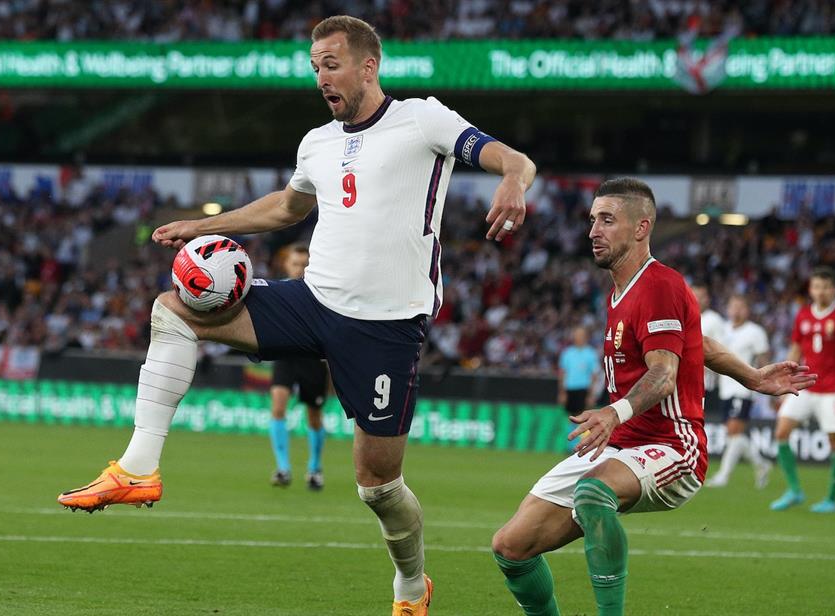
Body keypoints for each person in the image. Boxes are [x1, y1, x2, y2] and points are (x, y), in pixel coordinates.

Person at [57, 15, 536, 615]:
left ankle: (412, 586)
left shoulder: (422, 119)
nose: (321, 77)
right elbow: (287, 207)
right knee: (173, 309)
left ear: (368, 66)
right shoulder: (318, 142)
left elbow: (512, 158)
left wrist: (513, 181)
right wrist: (201, 225)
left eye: (331, 64)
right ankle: (138, 467)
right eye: (314, 67)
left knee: (378, 487)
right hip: (311, 302)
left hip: (385, 327)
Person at [490, 178, 816, 616]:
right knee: (511, 547)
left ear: (641, 227)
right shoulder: (620, 293)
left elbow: (664, 374)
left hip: (671, 444)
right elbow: (696, 342)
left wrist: (613, 411)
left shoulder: (659, 284)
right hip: (622, 443)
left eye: (607, 220)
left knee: (592, 494)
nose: (593, 231)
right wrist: (752, 377)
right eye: (591, 220)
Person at [770, 266, 835, 514]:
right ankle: (794, 491)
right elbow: (795, 350)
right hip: (805, 386)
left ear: (834, 289)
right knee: (781, 432)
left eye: (826, 287)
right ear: (811, 289)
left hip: (834, 389)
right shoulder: (802, 316)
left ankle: (831, 498)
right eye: (817, 287)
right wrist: (784, 380)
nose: (821, 292)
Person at [267, 243, 329, 490]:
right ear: (287, 265)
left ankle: (314, 468)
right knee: (278, 406)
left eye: (305, 265)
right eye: (296, 264)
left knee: (313, 417)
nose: (300, 269)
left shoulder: (321, 292)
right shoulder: (278, 290)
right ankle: (283, 468)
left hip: (312, 359)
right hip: (285, 356)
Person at [705, 294, 773, 488]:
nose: (736, 310)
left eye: (740, 307)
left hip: (744, 388)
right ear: (728, 309)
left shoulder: (755, 332)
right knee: (733, 434)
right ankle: (762, 464)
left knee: (734, 431)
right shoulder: (722, 330)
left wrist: (767, 383)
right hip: (725, 388)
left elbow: (763, 360)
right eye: (733, 306)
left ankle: (723, 476)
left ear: (747, 310)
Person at [558, 326, 601, 447]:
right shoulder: (567, 353)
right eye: (576, 335)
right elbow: (562, 373)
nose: (578, 338)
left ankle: (584, 444)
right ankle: (571, 445)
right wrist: (562, 392)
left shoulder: (591, 354)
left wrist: (591, 394)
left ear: (586, 337)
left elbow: (594, 375)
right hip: (570, 389)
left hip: (584, 389)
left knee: (584, 418)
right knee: (571, 417)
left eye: (581, 335)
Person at [691, 281, 725, 418]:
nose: (698, 299)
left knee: (708, 420)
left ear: (708, 299)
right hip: (689, 381)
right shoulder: (685, 316)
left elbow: (720, 348)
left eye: (701, 296)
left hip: (709, 383)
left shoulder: (714, 319)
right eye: (695, 295)